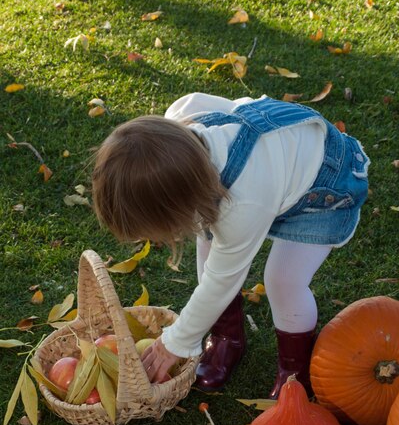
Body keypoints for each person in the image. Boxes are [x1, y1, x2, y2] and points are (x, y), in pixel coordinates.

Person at [92, 93, 370, 399]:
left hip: (324, 184)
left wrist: (175, 342)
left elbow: (222, 279)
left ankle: (295, 373)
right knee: (209, 243)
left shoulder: (243, 202)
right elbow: (214, 103)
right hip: (274, 167)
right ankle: (227, 337)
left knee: (284, 281)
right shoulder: (181, 123)